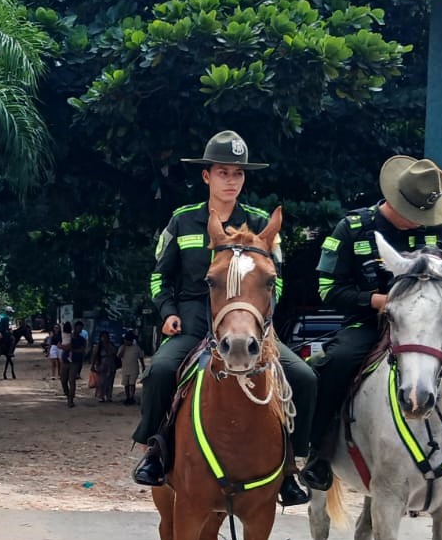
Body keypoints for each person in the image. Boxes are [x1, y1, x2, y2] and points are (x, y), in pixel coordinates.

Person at [298, 155, 442, 511]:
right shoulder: (352, 228)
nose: (421, 223)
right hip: (370, 324)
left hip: (428, 330)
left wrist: (441, 277)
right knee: (333, 366)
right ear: (393, 200)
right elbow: (327, 287)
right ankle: (319, 455)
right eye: (413, 214)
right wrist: (377, 300)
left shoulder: (440, 228)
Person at [130, 130, 315, 507]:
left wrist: (261, 321)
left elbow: (274, 282)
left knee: (305, 377)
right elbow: (158, 276)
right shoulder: (181, 221)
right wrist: (167, 313)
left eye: (238, 174)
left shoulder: (261, 223)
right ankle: (154, 451)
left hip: (248, 323)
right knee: (160, 372)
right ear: (207, 176)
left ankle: (291, 466)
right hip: (193, 320)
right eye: (223, 172)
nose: (231, 180)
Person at [116, 332, 145, 406]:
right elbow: (118, 356)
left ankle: (131, 397)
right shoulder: (122, 347)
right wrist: (124, 348)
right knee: (126, 384)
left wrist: (143, 366)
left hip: (134, 368)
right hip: (125, 368)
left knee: (132, 384)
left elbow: (141, 358)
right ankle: (127, 397)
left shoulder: (136, 348)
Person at [91, 331, 118, 402]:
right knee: (101, 382)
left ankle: (108, 396)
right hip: (101, 365)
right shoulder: (98, 346)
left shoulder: (111, 345)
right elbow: (94, 356)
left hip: (111, 365)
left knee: (110, 381)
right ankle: (101, 396)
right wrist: (92, 365)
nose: (105, 338)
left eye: (106, 336)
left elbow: (116, 355)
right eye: (103, 337)